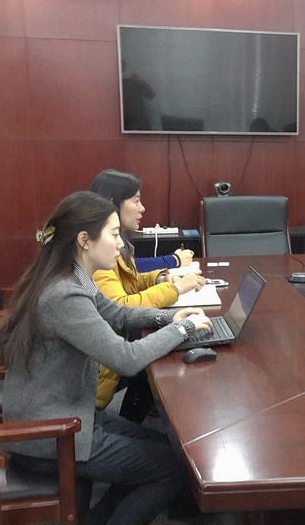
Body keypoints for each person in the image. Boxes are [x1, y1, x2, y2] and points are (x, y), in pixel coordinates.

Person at [0, 191, 212, 524]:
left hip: (70, 413)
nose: (121, 244)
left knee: (169, 449)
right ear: (84, 240)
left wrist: (169, 318)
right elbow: (125, 358)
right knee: (171, 467)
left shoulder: (72, 277)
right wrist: (183, 330)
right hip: (51, 434)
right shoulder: (64, 294)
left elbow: (118, 313)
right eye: (114, 234)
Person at [89, 168, 204, 422]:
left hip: (108, 358)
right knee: (156, 359)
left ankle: (132, 424)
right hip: (93, 377)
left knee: (154, 360)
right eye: (137, 201)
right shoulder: (96, 252)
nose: (142, 209)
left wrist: (159, 278)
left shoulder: (115, 243)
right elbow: (121, 307)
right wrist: (175, 291)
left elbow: (130, 280)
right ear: (113, 205)